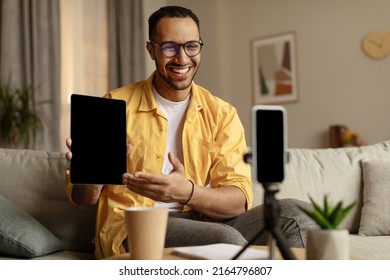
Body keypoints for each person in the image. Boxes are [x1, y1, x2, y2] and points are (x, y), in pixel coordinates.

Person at [65, 5, 315, 260]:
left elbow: (238, 199)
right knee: (226, 241)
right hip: (137, 228)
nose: (182, 59)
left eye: (191, 46)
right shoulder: (114, 105)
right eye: (170, 47)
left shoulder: (222, 113)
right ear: (151, 49)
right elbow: (83, 198)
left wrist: (186, 192)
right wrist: (91, 177)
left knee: (298, 215)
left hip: (205, 221)